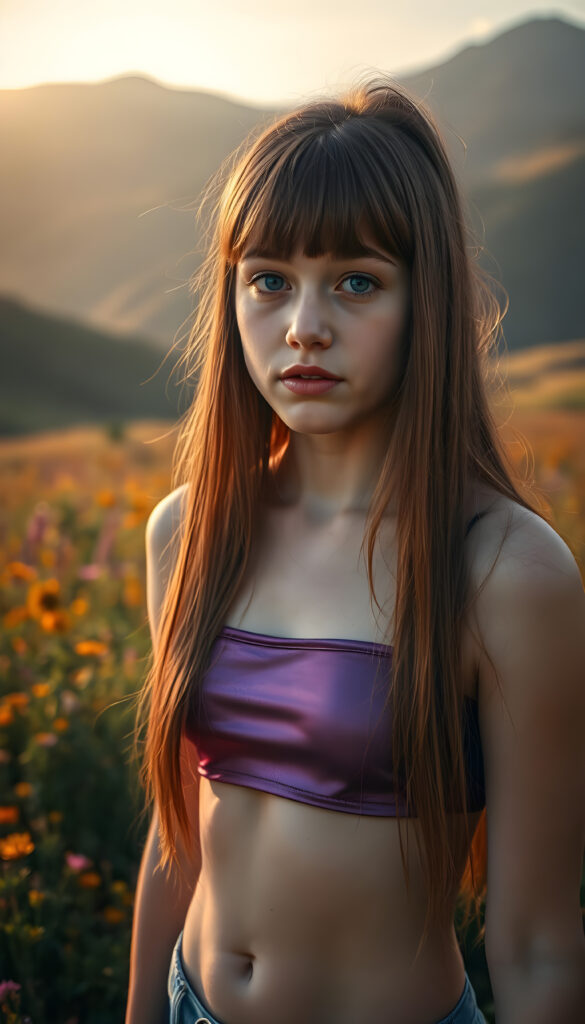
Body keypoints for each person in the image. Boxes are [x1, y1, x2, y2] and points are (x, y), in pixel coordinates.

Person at [125, 76, 585, 1024]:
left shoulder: (504, 569)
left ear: (427, 300)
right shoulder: (187, 531)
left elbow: (536, 942)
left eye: (356, 281)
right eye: (268, 280)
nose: (303, 326)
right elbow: (179, 838)